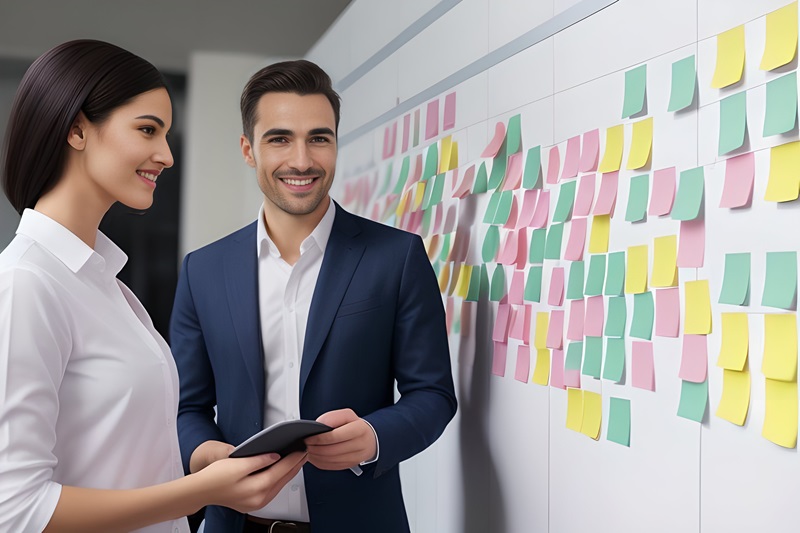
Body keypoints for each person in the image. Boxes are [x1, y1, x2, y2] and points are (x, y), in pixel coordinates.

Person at [0, 40, 307, 533]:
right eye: (147, 129)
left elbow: (118, 457)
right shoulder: (26, 284)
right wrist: (204, 492)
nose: (165, 155)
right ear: (77, 129)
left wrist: (200, 466)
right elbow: (15, 510)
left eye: (166, 134)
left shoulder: (106, 285)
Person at [169, 59, 458, 532]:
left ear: (336, 144)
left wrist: (374, 437)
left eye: (318, 138)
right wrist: (208, 457)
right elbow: (185, 407)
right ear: (248, 149)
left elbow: (432, 393)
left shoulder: (397, 257)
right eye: (279, 138)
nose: (301, 160)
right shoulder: (203, 270)